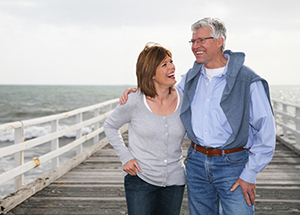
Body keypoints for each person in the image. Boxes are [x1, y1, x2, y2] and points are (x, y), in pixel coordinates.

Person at [119, 17, 276, 215]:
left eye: (202, 40)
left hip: (233, 165)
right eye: (193, 41)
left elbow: (267, 133)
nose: (195, 46)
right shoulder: (190, 78)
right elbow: (167, 96)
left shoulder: (248, 80)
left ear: (220, 41)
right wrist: (140, 91)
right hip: (196, 164)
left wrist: (250, 174)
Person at [104, 43, 186, 215]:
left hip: (175, 182)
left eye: (171, 61)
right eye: (164, 64)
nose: (172, 66)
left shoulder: (184, 100)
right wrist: (125, 157)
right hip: (140, 180)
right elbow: (110, 126)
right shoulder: (134, 101)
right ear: (151, 73)